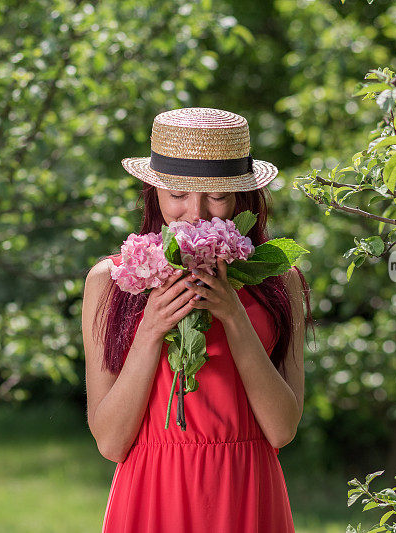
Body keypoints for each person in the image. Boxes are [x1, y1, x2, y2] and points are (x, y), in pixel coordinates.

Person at [82, 107, 313, 532]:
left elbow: (281, 430)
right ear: (154, 192)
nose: (196, 213)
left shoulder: (280, 283)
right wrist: (151, 329)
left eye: (217, 196)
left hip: (245, 491)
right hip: (152, 492)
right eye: (178, 193)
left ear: (243, 198)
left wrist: (234, 317)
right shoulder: (112, 281)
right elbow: (112, 442)